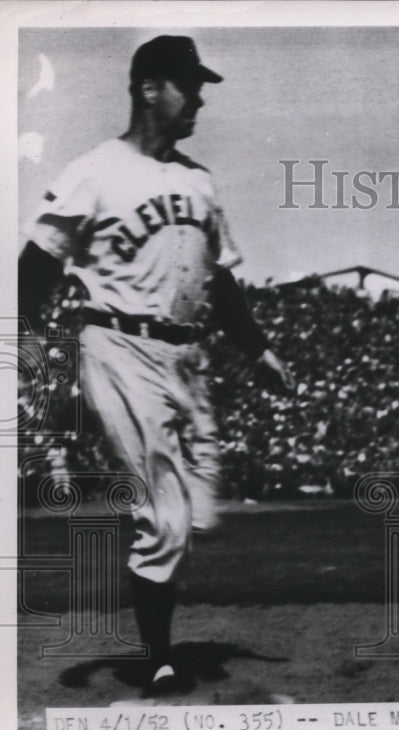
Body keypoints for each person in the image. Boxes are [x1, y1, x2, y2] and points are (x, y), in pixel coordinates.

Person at [19, 36, 293, 696]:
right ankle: (159, 658)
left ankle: (153, 634)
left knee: (197, 513)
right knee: (164, 514)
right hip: (116, 345)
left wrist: (256, 348)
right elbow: (36, 263)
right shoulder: (98, 170)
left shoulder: (199, 181)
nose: (198, 97)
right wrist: (24, 339)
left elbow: (220, 281)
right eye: (187, 85)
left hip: (185, 355)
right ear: (149, 90)